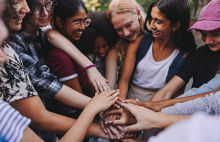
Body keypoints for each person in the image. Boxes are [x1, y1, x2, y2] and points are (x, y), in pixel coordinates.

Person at [0, 0, 123, 141]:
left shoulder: (43, 35)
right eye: (35, 6)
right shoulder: (12, 47)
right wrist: (98, 107)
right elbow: (47, 87)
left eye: (48, 5)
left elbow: (51, 33)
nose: (44, 12)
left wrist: (89, 67)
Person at [117, 0, 196, 102]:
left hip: (158, 108)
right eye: (151, 19)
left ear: (176, 25)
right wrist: (121, 105)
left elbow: (175, 95)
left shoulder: (184, 55)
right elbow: (124, 80)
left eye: (158, 21)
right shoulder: (139, 42)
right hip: (128, 102)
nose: (152, 25)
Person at [150, 0, 220, 102]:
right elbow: (168, 90)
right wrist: (144, 109)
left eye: (216, 34)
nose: (208, 41)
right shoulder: (201, 54)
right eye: (203, 34)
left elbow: (206, 92)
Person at [105, 0, 146, 90]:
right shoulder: (116, 51)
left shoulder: (157, 36)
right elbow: (109, 87)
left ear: (138, 13)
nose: (126, 33)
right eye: (119, 29)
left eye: (128, 25)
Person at [84, 11, 118, 77]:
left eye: (105, 46)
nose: (101, 51)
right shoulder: (89, 58)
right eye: (96, 47)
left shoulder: (115, 52)